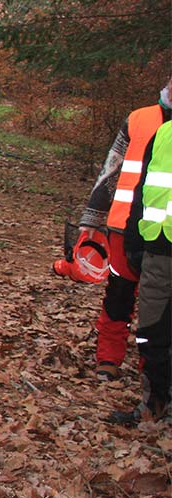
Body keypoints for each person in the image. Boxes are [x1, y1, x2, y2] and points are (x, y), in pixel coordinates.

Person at [74, 77, 172, 380]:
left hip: (165, 233)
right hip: (122, 225)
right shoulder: (138, 119)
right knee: (118, 296)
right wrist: (91, 219)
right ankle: (108, 359)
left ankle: (153, 372)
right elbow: (111, 167)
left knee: (161, 307)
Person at [111, 119, 172, 425]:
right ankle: (155, 402)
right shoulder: (163, 132)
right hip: (158, 250)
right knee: (151, 333)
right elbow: (143, 189)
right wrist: (135, 241)